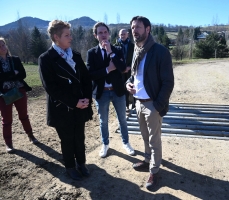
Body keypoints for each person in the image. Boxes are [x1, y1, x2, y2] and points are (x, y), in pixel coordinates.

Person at [39, 20, 93, 181]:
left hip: (80, 105)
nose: (71, 38)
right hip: (62, 108)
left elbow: (86, 79)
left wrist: (86, 100)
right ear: (56, 37)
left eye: (70, 34)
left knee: (80, 137)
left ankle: (81, 163)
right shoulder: (46, 59)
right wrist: (74, 102)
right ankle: (70, 166)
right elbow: (51, 88)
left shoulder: (75, 55)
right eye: (67, 35)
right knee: (67, 139)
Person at [126, 16, 174, 190]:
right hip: (139, 102)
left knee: (155, 140)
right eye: (132, 27)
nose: (134, 30)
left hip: (152, 104)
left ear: (148, 29)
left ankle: (154, 170)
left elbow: (168, 82)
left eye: (138, 27)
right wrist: (128, 84)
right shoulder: (136, 50)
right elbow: (133, 76)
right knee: (145, 137)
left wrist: (158, 106)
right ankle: (147, 160)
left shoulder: (160, 51)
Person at [86, 22, 135, 158]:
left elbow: (122, 68)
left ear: (109, 34)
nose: (103, 35)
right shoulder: (91, 53)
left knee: (122, 119)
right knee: (103, 121)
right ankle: (105, 144)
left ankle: (126, 143)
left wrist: (110, 52)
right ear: (96, 36)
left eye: (105, 32)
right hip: (102, 93)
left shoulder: (117, 50)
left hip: (117, 91)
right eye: (100, 33)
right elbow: (90, 74)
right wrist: (108, 69)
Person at [0, 37, 38, 153]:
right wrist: (13, 73)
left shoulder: (15, 59)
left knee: (24, 116)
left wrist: (7, 75)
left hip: (19, 90)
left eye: (4, 44)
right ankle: (9, 144)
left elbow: (23, 74)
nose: (3, 47)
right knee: (6, 120)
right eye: (0, 46)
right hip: (4, 94)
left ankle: (31, 136)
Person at [114, 29, 134, 112]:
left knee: (132, 86)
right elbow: (114, 59)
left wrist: (130, 67)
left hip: (131, 70)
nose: (123, 36)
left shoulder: (132, 46)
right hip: (120, 71)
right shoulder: (115, 46)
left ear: (128, 35)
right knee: (123, 88)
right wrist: (121, 68)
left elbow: (135, 58)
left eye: (124, 34)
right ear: (119, 35)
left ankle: (133, 104)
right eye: (121, 34)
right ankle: (125, 105)